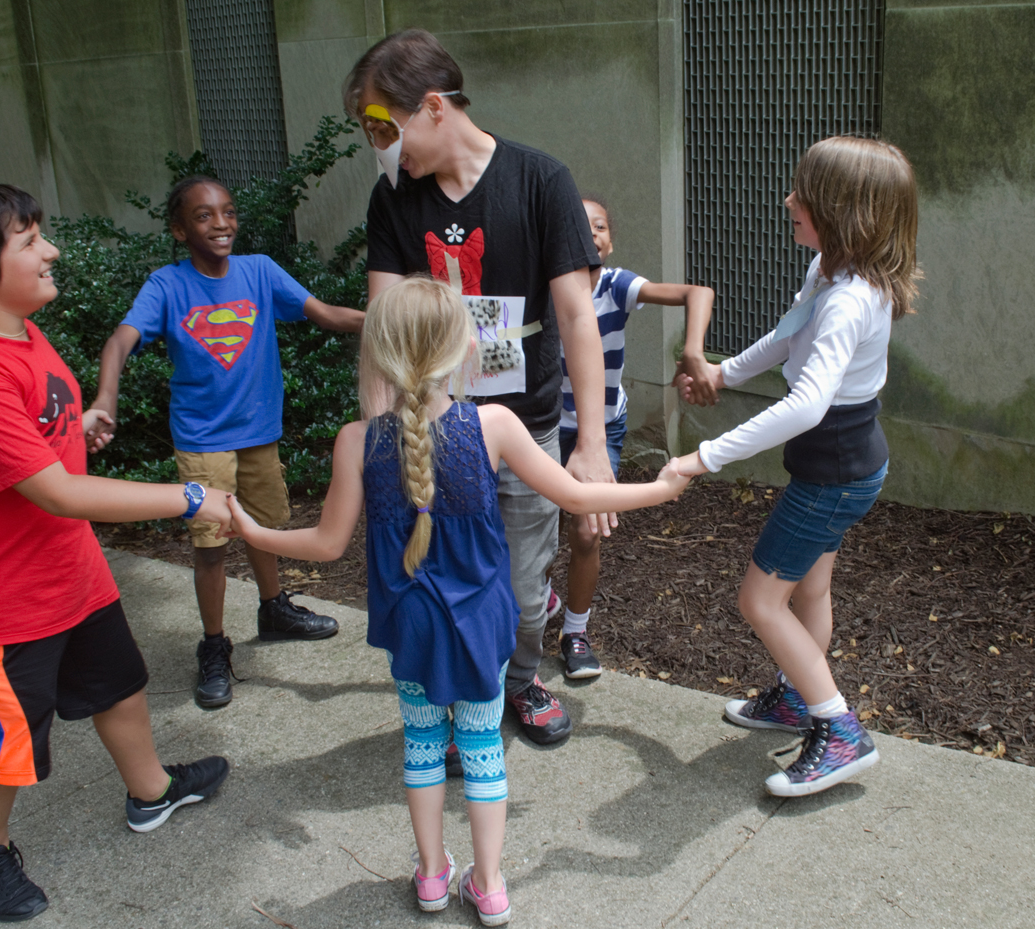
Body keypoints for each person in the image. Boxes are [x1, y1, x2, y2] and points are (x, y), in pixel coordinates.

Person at [223, 276, 690, 926]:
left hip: (409, 622)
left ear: (381, 352)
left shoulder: (358, 440)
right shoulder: (493, 424)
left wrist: (252, 529)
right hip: (481, 622)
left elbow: (326, 544)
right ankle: (491, 885)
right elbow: (579, 496)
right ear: (461, 348)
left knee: (421, 745)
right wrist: (661, 489)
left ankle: (433, 878)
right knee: (482, 747)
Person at [0, 182, 233, 922]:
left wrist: (73, 426)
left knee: (119, 683)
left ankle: (151, 792)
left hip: (69, 572)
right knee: (8, 739)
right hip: (1, 600)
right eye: (30, 242)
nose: (51, 250)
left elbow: (32, 442)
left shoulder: (23, 330)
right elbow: (56, 493)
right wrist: (184, 496)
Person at [344, 28, 616, 747]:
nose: (379, 145)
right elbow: (383, 327)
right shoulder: (393, 201)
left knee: (526, 595)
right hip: (432, 432)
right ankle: (466, 705)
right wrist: (381, 443)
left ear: (433, 106)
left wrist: (590, 443)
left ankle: (520, 679)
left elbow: (574, 316)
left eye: (382, 125)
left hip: (523, 424)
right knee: (437, 586)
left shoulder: (539, 181)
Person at [673, 136, 920, 797]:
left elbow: (808, 405)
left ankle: (839, 730)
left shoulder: (850, 298)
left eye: (802, 194)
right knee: (808, 592)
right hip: (842, 465)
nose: (788, 200)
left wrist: (702, 458)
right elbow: (787, 334)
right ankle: (796, 696)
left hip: (833, 472)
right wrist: (724, 372)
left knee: (759, 599)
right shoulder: (829, 271)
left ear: (842, 211)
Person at [89, 176, 365, 710]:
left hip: (259, 432)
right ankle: (214, 646)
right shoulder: (167, 286)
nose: (221, 223)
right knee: (211, 546)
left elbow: (326, 314)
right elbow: (120, 339)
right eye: (204, 215)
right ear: (178, 228)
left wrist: (399, 319)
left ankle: (273, 609)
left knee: (263, 528)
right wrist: (106, 396)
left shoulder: (259, 271)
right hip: (203, 439)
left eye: (229, 212)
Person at [552, 196, 717, 678]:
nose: (593, 236)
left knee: (586, 531)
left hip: (602, 428)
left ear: (610, 239)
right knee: (535, 536)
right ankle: (538, 603)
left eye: (601, 227)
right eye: (580, 227)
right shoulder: (542, 284)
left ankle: (575, 633)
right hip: (542, 428)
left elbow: (698, 292)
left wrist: (692, 352)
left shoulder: (616, 285)